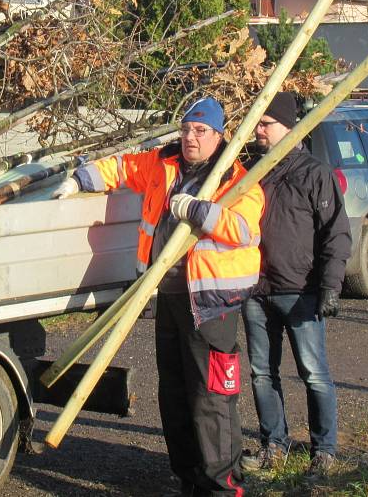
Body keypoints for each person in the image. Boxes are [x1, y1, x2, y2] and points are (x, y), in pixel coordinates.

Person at [54, 97, 264, 496]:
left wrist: (200, 211)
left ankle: (221, 485)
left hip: (211, 306)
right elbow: (121, 167)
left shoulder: (236, 178)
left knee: (211, 397)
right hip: (166, 295)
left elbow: (244, 229)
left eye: (200, 131)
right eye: (186, 129)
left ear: (219, 137)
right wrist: (80, 179)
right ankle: (187, 477)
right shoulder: (163, 163)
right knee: (173, 391)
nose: (190, 137)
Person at [240, 92, 351, 477]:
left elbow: (336, 233)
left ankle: (325, 451)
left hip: (300, 291)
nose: (259, 131)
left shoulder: (314, 173)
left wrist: (331, 286)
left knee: (313, 373)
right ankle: (274, 445)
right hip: (255, 291)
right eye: (257, 124)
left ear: (288, 127)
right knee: (261, 373)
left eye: (266, 124)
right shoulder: (250, 172)